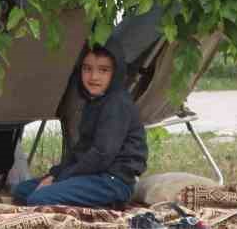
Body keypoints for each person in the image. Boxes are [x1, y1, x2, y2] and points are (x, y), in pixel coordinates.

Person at [12, 43, 146, 208]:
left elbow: (101, 155)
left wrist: (61, 179)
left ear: (116, 73)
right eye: (87, 69)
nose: (94, 77)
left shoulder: (117, 103)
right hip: (91, 174)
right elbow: (81, 149)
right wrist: (55, 175)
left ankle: (106, 204)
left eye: (103, 70)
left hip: (112, 181)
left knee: (38, 198)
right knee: (22, 191)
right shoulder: (95, 101)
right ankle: (74, 196)